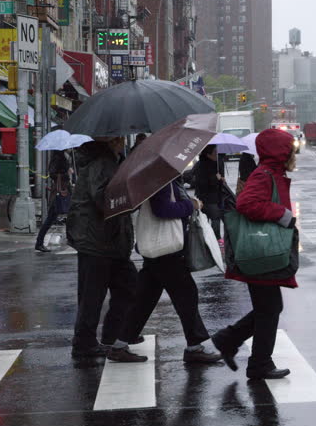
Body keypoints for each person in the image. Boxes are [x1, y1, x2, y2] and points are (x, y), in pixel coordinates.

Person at [211, 129, 297, 380]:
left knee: (268, 307)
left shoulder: (273, 173)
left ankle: (232, 342)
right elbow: (246, 204)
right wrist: (283, 215)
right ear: (281, 153)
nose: (295, 154)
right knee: (269, 308)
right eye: (291, 149)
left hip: (264, 250)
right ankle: (257, 362)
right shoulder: (265, 174)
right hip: (261, 250)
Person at [106, 178, 222, 364]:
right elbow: (163, 209)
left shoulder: (158, 179)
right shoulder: (160, 181)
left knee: (143, 301)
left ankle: (119, 346)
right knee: (186, 296)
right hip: (166, 251)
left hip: (157, 252)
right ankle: (194, 347)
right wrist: (190, 205)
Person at [66, 137, 138, 357]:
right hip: (97, 240)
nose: (122, 140)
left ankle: (110, 336)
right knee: (93, 295)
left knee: (129, 287)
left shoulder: (111, 160)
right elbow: (103, 198)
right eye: (118, 137)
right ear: (110, 139)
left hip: (109, 240)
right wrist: (132, 196)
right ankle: (84, 343)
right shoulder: (101, 162)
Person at [35, 150, 71, 252]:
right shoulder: (57, 158)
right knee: (50, 219)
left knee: (68, 215)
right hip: (59, 192)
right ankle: (39, 243)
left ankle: (39, 242)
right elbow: (52, 173)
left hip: (63, 190)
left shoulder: (63, 156)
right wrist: (66, 174)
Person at [195, 145, 225, 239]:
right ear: (208, 154)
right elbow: (202, 183)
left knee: (214, 218)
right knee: (215, 218)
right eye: (215, 152)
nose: (217, 154)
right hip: (207, 198)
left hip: (216, 197)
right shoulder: (201, 165)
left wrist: (221, 180)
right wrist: (215, 178)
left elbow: (217, 180)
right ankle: (216, 238)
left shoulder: (215, 163)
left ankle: (212, 238)